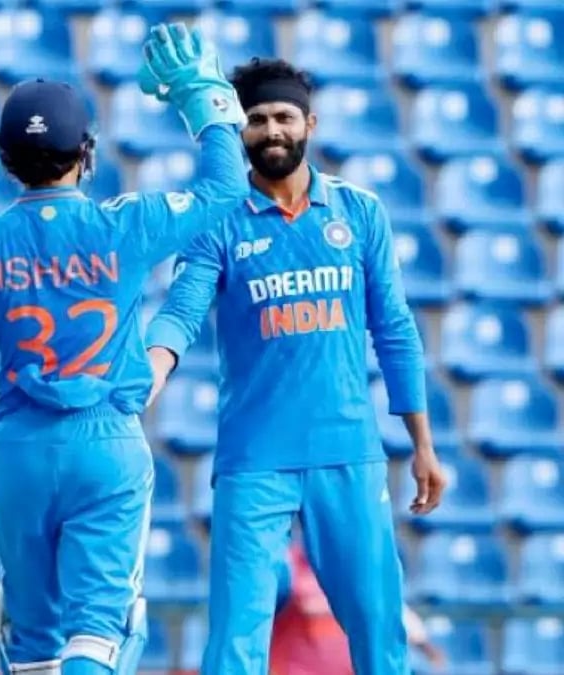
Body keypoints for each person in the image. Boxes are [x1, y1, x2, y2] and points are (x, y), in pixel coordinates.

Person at [0, 23, 249, 675]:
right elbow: (224, 191)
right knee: (104, 630)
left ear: (3, 156)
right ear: (86, 151)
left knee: (31, 637)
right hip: (106, 445)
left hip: (18, 453)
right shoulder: (123, 223)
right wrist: (202, 96)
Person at [144, 57, 449, 675]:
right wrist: (149, 373)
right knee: (234, 643)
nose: (272, 130)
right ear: (239, 132)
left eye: (283, 117)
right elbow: (182, 309)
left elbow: (394, 328)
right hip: (255, 460)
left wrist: (423, 444)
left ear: (309, 122)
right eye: (256, 120)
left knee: (379, 634)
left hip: (348, 453)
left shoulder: (359, 212)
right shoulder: (220, 224)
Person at [270, 540, 446, 675]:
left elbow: (397, 612)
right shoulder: (289, 565)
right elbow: (305, 603)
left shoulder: (362, 572)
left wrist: (425, 647)